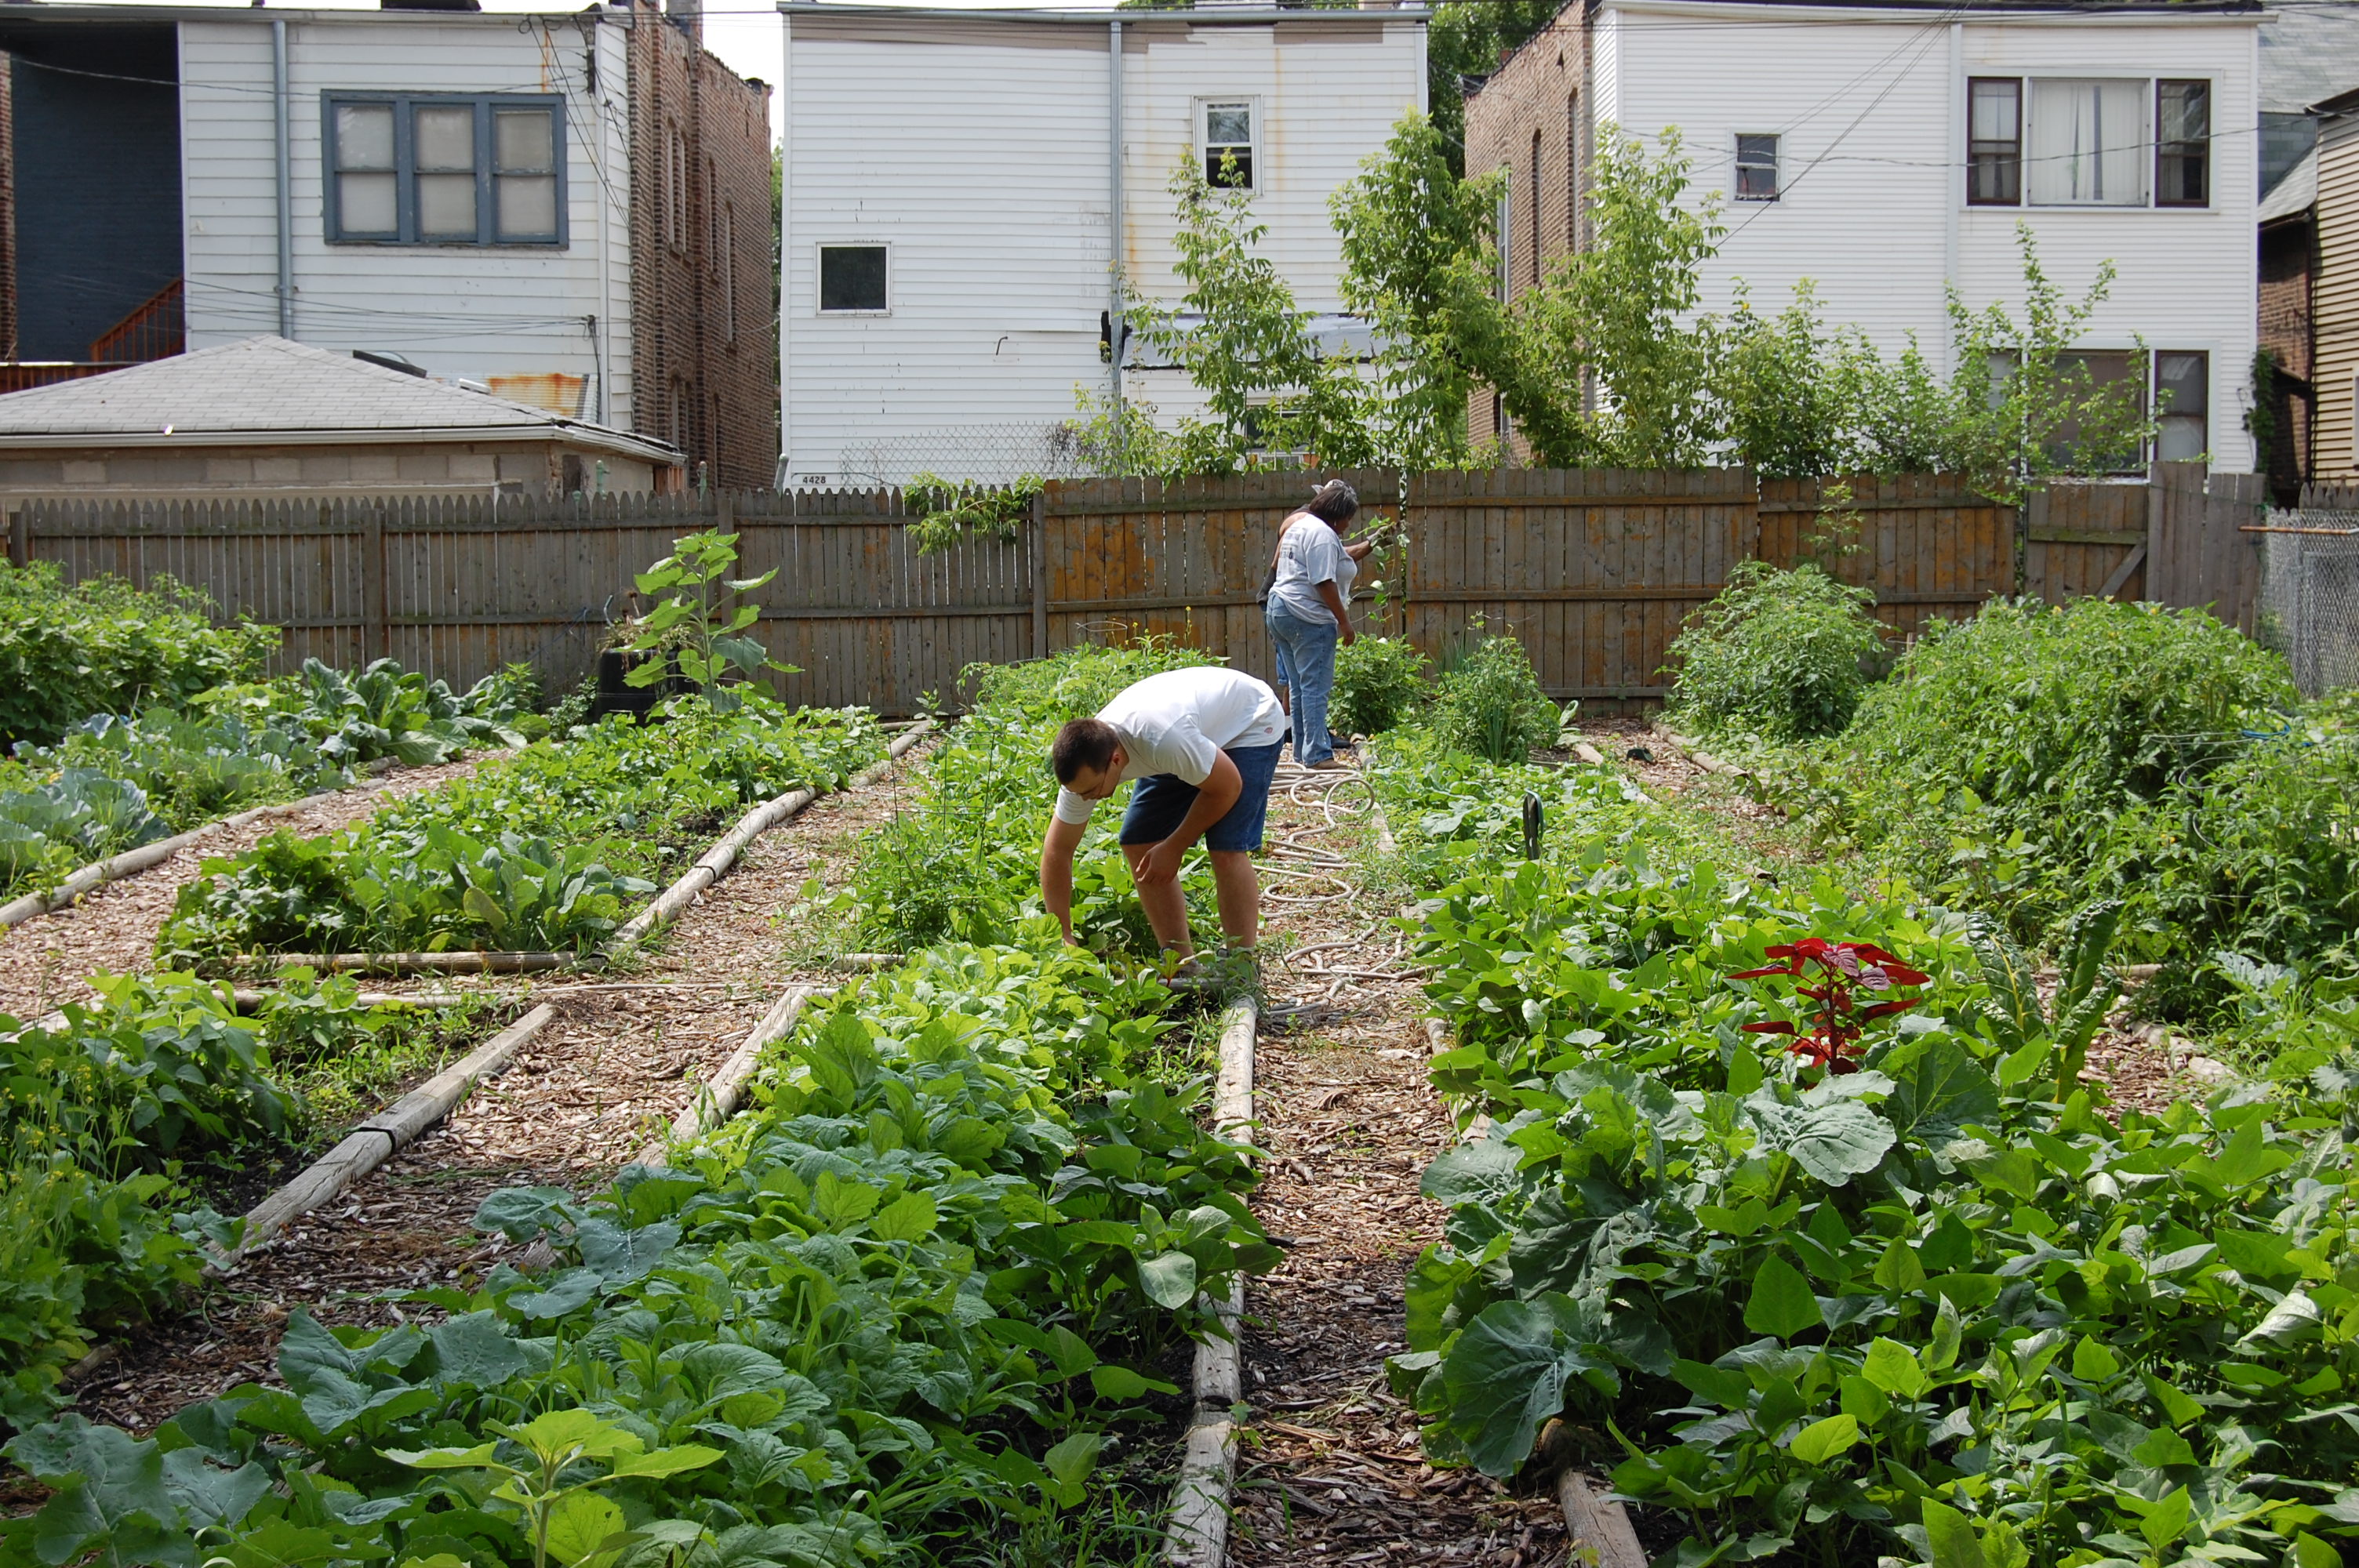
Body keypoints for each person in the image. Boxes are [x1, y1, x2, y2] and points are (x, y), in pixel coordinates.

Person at [1040, 665, 1285, 960]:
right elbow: (1058, 850)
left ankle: (1242, 964)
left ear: (1116, 760)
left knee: (1225, 846)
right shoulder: (1085, 769)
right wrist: (1063, 933)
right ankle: (1179, 961)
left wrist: (1175, 846)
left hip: (1249, 722)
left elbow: (1227, 787)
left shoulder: (1162, 739)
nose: (1087, 798)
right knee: (1139, 841)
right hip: (1192, 736)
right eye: (1080, 792)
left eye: (1091, 790)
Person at [1263, 480, 1375, 770]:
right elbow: (1323, 581)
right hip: (1307, 617)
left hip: (1281, 610)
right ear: (1338, 513)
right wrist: (1345, 623)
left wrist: (1372, 543)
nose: (1349, 524)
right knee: (1314, 687)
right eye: (1349, 517)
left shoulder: (1301, 526)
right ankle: (1317, 756)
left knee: (1300, 687)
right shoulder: (1322, 535)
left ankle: (1302, 752)